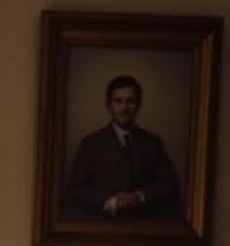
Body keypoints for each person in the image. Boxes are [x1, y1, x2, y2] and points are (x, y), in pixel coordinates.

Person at [64, 74, 179, 218]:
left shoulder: (152, 143)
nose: (124, 107)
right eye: (118, 101)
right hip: (101, 230)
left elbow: (169, 184)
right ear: (108, 104)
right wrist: (112, 202)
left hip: (146, 229)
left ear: (139, 104)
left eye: (130, 101)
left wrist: (139, 197)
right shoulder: (91, 144)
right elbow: (76, 189)